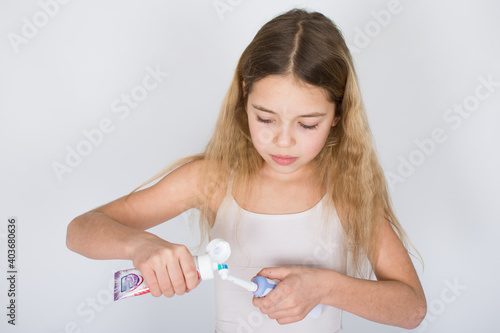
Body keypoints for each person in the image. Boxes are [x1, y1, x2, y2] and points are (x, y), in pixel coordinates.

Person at [66, 8, 426, 332]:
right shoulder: (211, 181)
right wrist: (139, 244)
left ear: (338, 116)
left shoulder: (345, 190)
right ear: (244, 97)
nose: (283, 142)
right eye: (266, 118)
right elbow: (80, 230)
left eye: (307, 124)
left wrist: (324, 287)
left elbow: (411, 310)